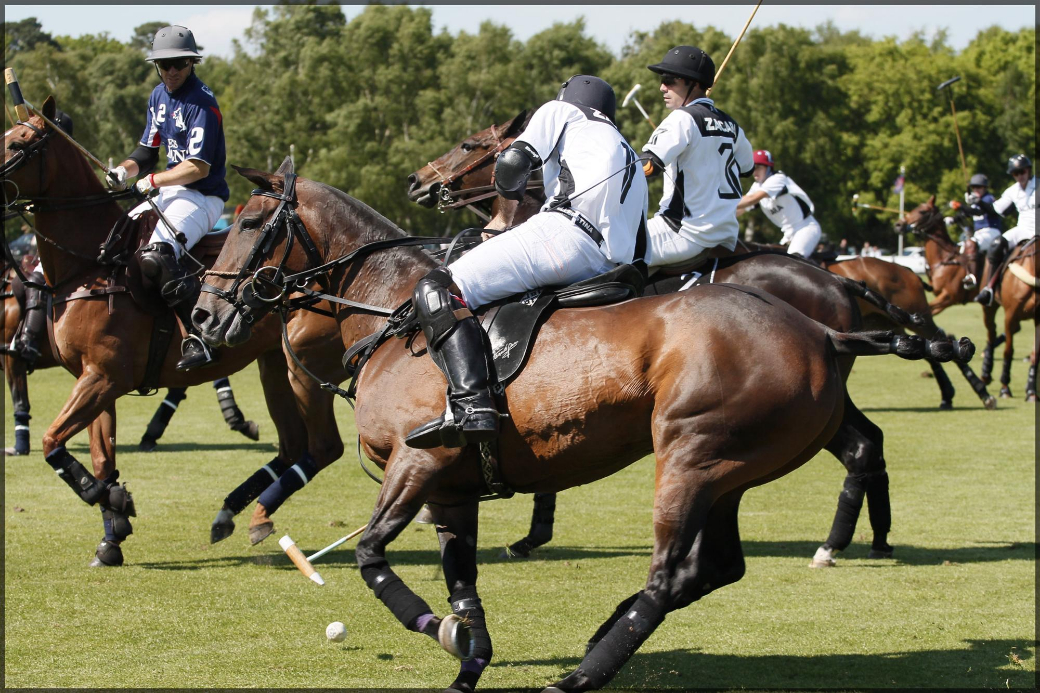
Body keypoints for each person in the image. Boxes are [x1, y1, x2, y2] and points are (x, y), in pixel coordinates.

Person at [405, 75, 648, 449]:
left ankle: (472, 404)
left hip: (566, 237)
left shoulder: (562, 112)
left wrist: (503, 218)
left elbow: (512, 162)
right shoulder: (626, 149)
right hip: (613, 265)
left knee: (437, 287)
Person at [105, 25, 229, 370]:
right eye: (164, 65)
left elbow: (198, 167)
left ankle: (201, 338)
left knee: (157, 254)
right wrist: (123, 171)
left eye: (179, 64)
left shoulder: (201, 102)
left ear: (192, 63)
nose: (171, 71)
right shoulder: (158, 95)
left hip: (202, 195)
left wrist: (152, 181)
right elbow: (146, 152)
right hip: (169, 191)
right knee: (112, 239)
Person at [638, 45, 753, 268]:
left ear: (695, 84)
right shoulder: (731, 125)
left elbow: (648, 167)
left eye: (669, 80)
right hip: (726, 235)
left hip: (682, 231)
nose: (662, 87)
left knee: (605, 250)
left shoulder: (682, 118)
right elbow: (747, 169)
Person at [735, 150, 822, 258]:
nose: (754, 171)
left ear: (768, 168)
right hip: (788, 235)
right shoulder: (757, 186)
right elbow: (740, 209)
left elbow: (751, 199)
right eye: (752, 167)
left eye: (758, 167)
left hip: (805, 228)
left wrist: (722, 205)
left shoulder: (777, 178)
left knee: (792, 262)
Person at [975, 154, 1036, 305]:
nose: (1019, 176)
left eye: (1022, 172)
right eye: (1015, 173)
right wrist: (978, 202)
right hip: (1023, 229)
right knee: (996, 245)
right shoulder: (1012, 191)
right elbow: (995, 210)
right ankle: (989, 289)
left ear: (1028, 170)